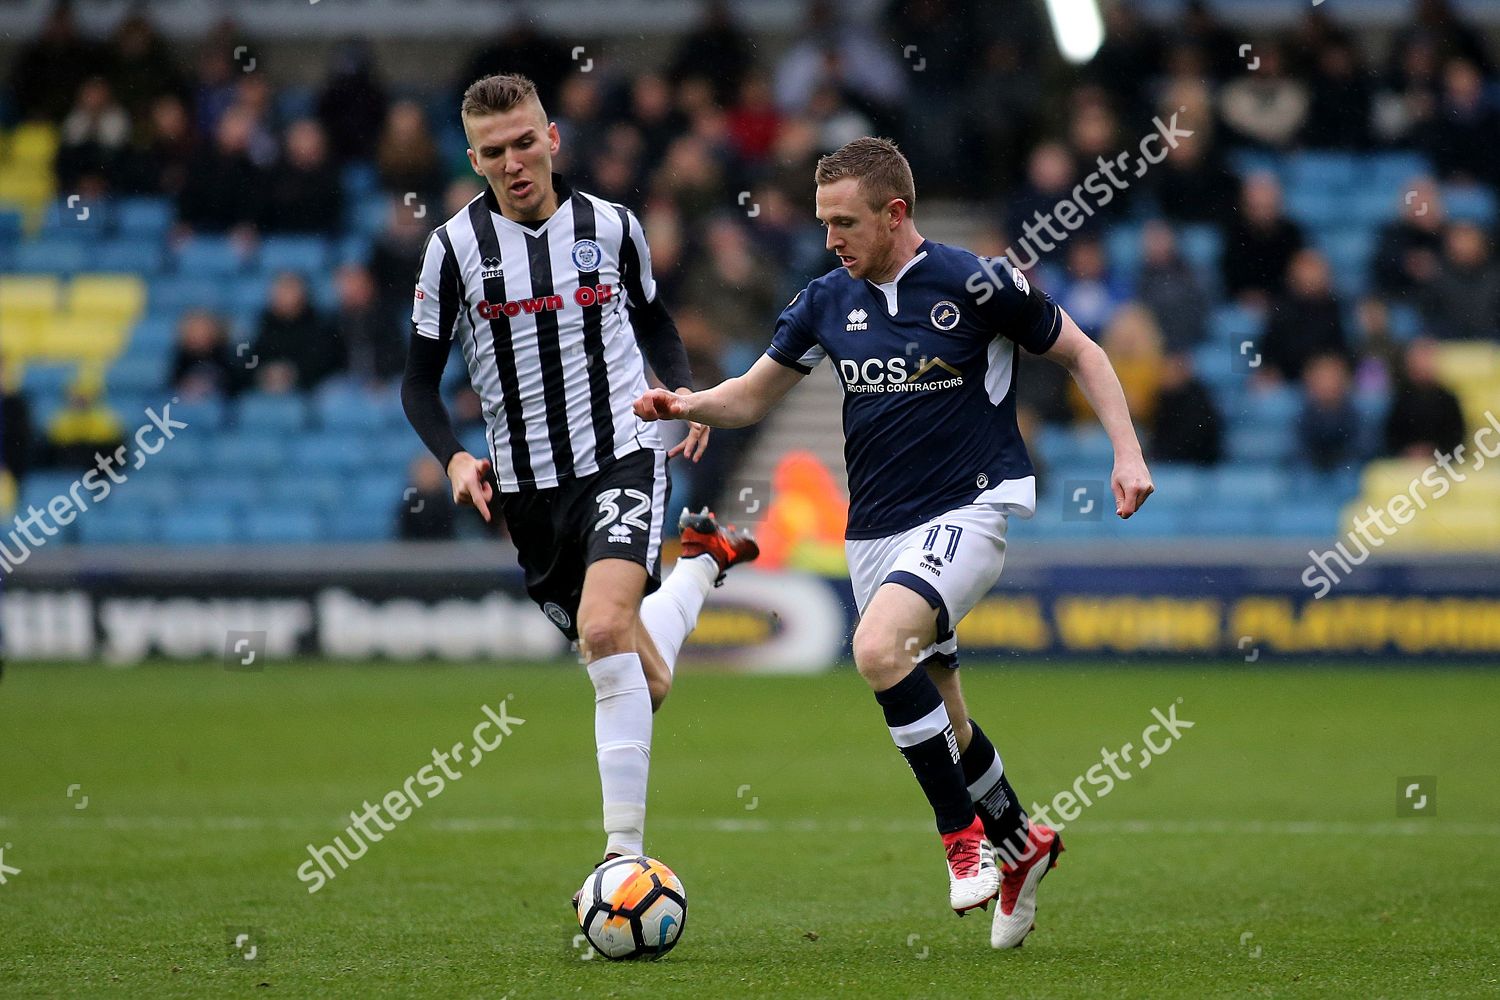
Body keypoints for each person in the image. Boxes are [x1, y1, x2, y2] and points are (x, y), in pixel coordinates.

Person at [634, 137, 1153, 949]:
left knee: (876, 650)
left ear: (895, 213)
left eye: (845, 222)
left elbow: (1082, 350)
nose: (831, 238)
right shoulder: (822, 301)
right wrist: (687, 405)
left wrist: (1127, 452)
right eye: (822, 223)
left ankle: (963, 840)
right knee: (948, 719)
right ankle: (1020, 843)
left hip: (972, 508)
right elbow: (750, 396)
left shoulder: (975, 282)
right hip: (876, 530)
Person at [401, 74, 759, 874]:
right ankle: (699, 571)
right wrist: (456, 456)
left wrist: (686, 395)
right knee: (641, 677)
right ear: (474, 159)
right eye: (494, 152)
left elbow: (655, 321)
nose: (515, 162)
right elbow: (417, 381)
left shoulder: (613, 227)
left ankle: (621, 862)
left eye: (526, 142)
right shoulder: (453, 250)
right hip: (529, 494)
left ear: (553, 137)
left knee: (603, 633)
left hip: (621, 457)